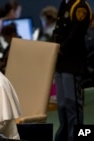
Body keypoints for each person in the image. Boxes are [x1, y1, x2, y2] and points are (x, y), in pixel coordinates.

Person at [52, 0, 92, 141]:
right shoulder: (65, 3)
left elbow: (76, 34)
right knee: (62, 104)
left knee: (72, 104)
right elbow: (58, 30)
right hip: (60, 62)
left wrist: (60, 49)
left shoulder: (80, 6)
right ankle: (63, 135)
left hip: (72, 63)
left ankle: (77, 137)